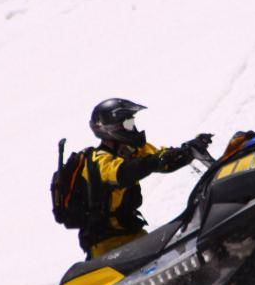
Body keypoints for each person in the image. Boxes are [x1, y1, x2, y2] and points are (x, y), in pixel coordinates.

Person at [79, 98, 212, 260]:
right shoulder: (97, 160)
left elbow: (162, 160)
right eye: (128, 124)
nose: (133, 128)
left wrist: (188, 150)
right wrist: (156, 161)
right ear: (111, 128)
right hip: (106, 244)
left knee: (170, 256)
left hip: (132, 233)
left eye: (132, 123)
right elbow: (123, 172)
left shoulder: (131, 150)